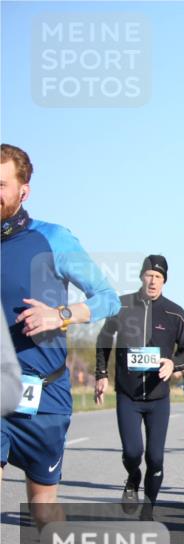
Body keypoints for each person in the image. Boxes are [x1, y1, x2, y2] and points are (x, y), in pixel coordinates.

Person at [0, 143, 121, 523]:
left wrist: (61, 315)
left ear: (24, 190)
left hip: (44, 397)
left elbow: (108, 298)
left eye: (0, 184)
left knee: (43, 509)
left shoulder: (52, 239)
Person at [96, 255, 184, 519]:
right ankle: (132, 477)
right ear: (141, 277)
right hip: (128, 394)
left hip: (157, 396)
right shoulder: (122, 305)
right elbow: (104, 338)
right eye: (149, 275)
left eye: (159, 277)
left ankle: (149, 508)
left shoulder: (174, 312)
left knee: (155, 458)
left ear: (165, 281)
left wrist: (173, 364)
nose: (153, 281)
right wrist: (101, 373)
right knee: (132, 452)